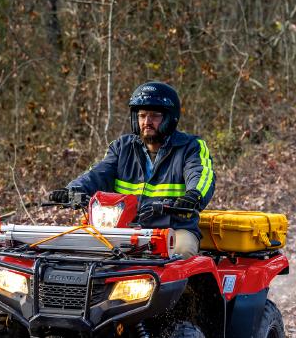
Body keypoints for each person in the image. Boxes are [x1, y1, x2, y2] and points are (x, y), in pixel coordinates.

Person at [49, 82, 214, 257]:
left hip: (174, 229)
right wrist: (71, 191)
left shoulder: (190, 147)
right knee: (76, 254)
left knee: (181, 254)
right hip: (122, 229)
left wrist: (194, 195)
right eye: (142, 116)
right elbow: (97, 174)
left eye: (154, 116)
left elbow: (202, 174)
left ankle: (185, 285)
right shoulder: (121, 147)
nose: (147, 122)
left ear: (170, 118)